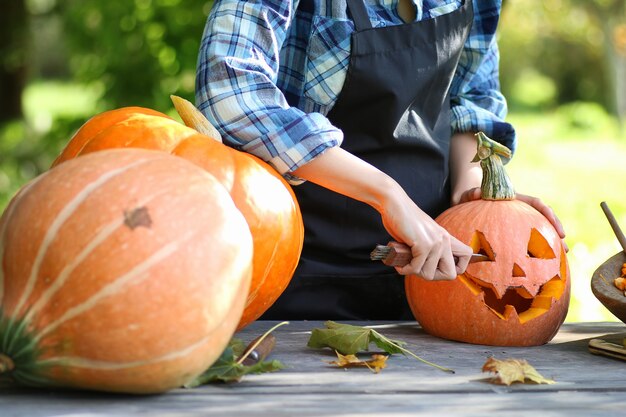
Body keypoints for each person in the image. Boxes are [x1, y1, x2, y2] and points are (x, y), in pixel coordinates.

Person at [195, 0, 565, 320]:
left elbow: (472, 98)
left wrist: (469, 200)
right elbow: (231, 91)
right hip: (291, 279)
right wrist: (388, 195)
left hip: (431, 277)